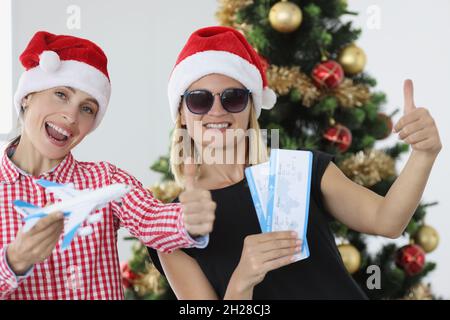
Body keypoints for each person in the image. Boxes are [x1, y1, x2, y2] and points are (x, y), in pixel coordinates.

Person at [147, 26, 442, 299]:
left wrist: (423, 154)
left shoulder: (300, 169)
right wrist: (243, 280)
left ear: (251, 105)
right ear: (182, 113)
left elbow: (386, 221)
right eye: (199, 100)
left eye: (233, 98)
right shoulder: (171, 226)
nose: (216, 111)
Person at [0, 31, 216, 300]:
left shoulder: (105, 180)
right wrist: (13, 262)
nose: (70, 116)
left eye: (87, 108)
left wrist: (187, 220)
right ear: (26, 97)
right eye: (60, 94)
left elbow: (151, 219)